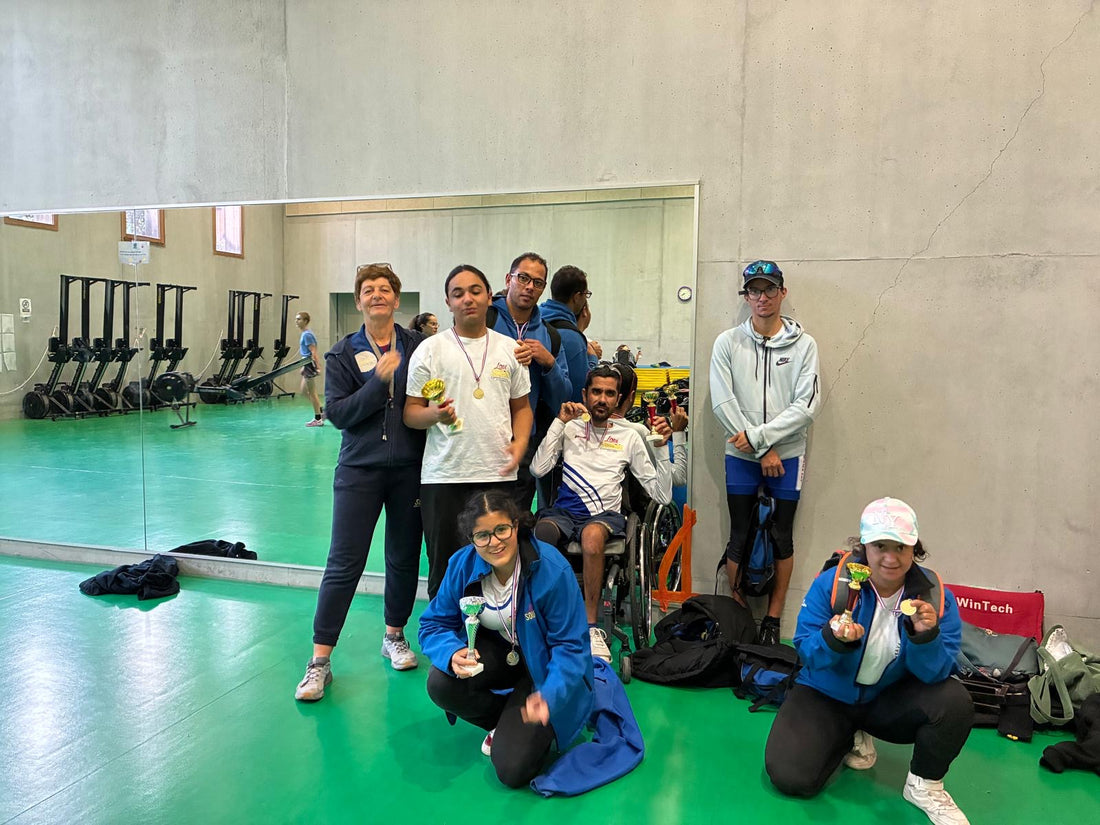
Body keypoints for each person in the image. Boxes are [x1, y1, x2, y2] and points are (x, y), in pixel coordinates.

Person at [764, 498, 973, 825]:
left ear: (913, 548)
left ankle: (924, 785)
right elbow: (805, 650)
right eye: (880, 546)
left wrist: (924, 637)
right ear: (864, 546)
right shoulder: (834, 584)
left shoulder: (935, 596)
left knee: (954, 700)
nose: (891, 558)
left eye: (901, 547)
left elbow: (936, 674)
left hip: (884, 701)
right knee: (791, 778)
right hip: (826, 696)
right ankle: (845, 734)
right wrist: (834, 640)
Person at [295, 264, 426, 702]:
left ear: (396, 298)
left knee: (404, 557)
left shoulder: (418, 347)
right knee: (344, 562)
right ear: (358, 301)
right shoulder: (341, 354)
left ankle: (394, 636)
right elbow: (339, 414)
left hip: (409, 469)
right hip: (359, 470)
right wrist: (380, 381)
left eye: (384, 289)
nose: (377, 296)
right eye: (368, 290)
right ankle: (319, 662)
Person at [418, 490, 594, 789]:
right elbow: (433, 623)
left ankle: (524, 724)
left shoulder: (551, 569)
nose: (494, 542)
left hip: (544, 669)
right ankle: (506, 722)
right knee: (440, 683)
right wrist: (451, 653)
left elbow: (570, 647)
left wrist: (549, 694)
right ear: (471, 539)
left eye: (501, 529)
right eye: (482, 535)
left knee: (513, 770)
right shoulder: (462, 564)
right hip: (501, 654)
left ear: (516, 525)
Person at [405, 264, 533, 598]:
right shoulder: (430, 350)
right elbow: (410, 413)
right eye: (458, 293)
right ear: (448, 302)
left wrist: (519, 445)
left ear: (490, 297)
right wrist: (433, 414)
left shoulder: (510, 349)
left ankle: (496, 642)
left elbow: (522, 408)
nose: (467, 299)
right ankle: (447, 643)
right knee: (445, 569)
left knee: (499, 567)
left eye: (475, 291)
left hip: (498, 475)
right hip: (444, 476)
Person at [709, 260, 819, 645]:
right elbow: (723, 403)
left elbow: (806, 407)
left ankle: (772, 621)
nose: (762, 298)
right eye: (754, 291)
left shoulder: (805, 345)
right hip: (741, 454)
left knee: (781, 537)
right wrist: (760, 448)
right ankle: (740, 617)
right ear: (746, 297)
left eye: (769, 290)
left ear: (782, 293)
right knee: (739, 533)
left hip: (787, 455)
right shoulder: (727, 342)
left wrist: (764, 442)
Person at [531, 365, 672, 661]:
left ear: (618, 398)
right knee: (540, 533)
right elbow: (538, 469)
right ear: (585, 394)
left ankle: (591, 627)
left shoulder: (630, 437)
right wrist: (558, 422)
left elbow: (662, 495)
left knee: (593, 537)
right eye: (596, 392)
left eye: (609, 394)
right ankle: (542, 619)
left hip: (604, 516)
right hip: (565, 512)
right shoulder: (569, 429)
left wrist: (661, 449)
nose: (602, 399)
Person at [488, 252, 571, 512]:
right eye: (523, 278)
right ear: (508, 279)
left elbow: (563, 397)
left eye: (537, 282)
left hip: (524, 443)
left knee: (516, 521)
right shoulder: (485, 321)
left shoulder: (550, 336)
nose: (529, 287)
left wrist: (548, 363)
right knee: (475, 522)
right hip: (481, 440)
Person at [540, 264, 601, 403]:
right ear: (577, 297)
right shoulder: (572, 338)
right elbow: (581, 391)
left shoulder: (536, 321)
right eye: (586, 295)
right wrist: (592, 357)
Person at [295, 310, 325, 426]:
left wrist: (317, 367)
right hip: (306, 364)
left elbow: (313, 352)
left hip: (309, 364)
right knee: (303, 391)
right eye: (296, 319)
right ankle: (321, 409)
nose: (296, 321)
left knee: (312, 393)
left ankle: (318, 419)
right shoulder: (304, 334)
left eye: (299, 319)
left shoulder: (307, 335)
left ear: (306, 321)